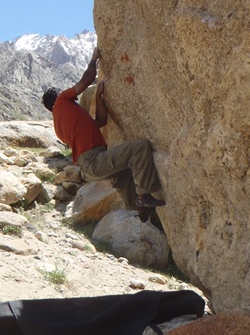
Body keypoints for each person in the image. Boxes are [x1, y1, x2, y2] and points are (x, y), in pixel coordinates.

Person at [42, 47, 165, 221]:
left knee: (123, 175)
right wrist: (94, 60)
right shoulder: (62, 100)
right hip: (95, 160)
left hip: (89, 169)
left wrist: (98, 98)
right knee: (141, 148)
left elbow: (100, 121)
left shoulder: (60, 125)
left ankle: (138, 208)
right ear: (58, 96)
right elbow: (85, 81)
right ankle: (144, 195)